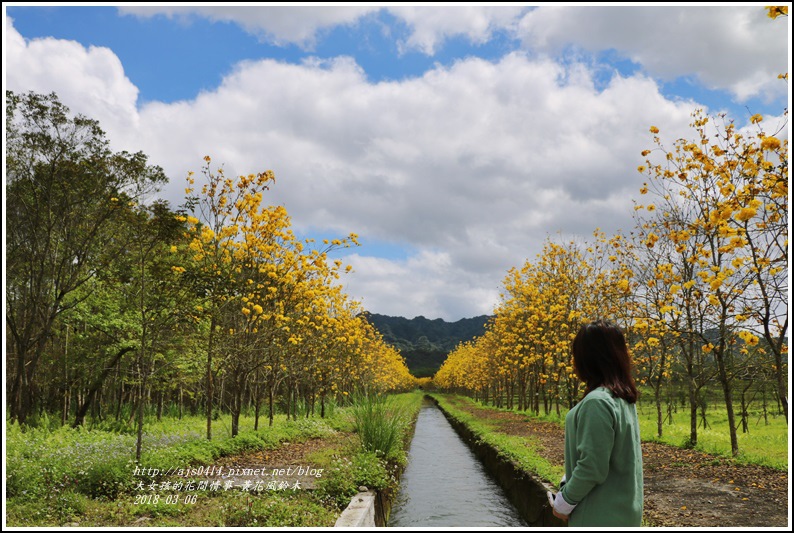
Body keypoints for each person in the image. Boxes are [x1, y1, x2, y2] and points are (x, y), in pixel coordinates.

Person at [548, 320, 643, 526]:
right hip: (624, 513)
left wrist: (563, 503)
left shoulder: (597, 402)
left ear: (586, 359)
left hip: (597, 516)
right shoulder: (623, 400)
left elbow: (592, 466)